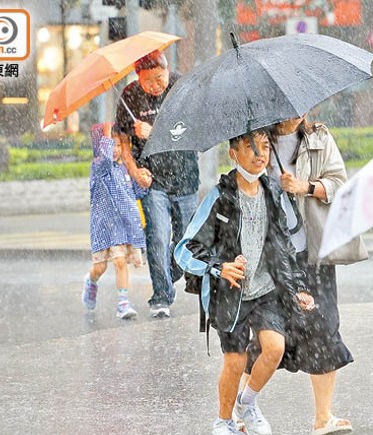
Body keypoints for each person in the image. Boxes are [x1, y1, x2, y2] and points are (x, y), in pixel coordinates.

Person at [174, 128, 314, 435]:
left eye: (264, 146)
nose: (259, 153)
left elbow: (289, 246)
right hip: (231, 293)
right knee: (235, 362)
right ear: (233, 154)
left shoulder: (275, 194)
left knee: (274, 348)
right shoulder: (220, 198)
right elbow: (183, 250)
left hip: (265, 289)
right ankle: (223, 420)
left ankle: (247, 402)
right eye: (249, 147)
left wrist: (300, 286)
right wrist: (219, 267)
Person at [245, 115, 355, 435]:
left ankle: (323, 417)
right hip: (273, 256)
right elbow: (243, 187)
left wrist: (304, 187)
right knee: (267, 335)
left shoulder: (319, 138)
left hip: (314, 250)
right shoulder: (256, 140)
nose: (295, 113)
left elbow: (339, 183)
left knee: (324, 327)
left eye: (299, 107)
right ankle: (241, 409)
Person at [115, 49, 200, 318]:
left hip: (185, 175)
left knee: (186, 240)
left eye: (159, 78)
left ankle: (172, 271)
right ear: (138, 77)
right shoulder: (129, 95)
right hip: (153, 181)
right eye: (148, 81)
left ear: (167, 70)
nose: (155, 86)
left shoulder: (181, 87)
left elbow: (194, 130)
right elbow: (124, 145)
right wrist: (134, 170)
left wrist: (157, 131)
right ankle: (161, 296)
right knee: (158, 237)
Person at [82, 122, 146, 319]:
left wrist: (144, 182)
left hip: (120, 226)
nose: (116, 149)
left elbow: (133, 193)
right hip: (103, 226)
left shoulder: (123, 170)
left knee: (120, 261)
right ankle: (91, 281)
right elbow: (106, 160)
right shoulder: (99, 167)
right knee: (100, 267)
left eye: (119, 145)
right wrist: (107, 133)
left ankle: (123, 303)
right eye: (112, 144)